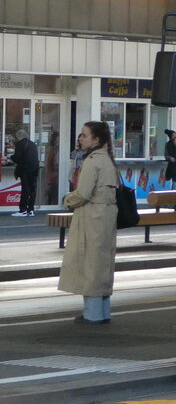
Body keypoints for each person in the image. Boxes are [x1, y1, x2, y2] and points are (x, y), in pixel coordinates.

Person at [58, 121, 120, 324]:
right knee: (102, 264)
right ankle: (103, 312)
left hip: (91, 216)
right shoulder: (108, 160)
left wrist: (67, 200)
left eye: (84, 135)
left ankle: (92, 314)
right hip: (106, 216)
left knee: (89, 264)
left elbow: (83, 193)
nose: (80, 138)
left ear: (96, 139)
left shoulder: (92, 161)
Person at [7, 128, 39, 216]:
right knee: (32, 190)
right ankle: (31, 210)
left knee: (25, 189)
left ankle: (23, 210)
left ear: (18, 137)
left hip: (25, 169)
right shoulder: (32, 144)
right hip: (35, 168)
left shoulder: (20, 144)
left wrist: (11, 157)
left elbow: (17, 157)